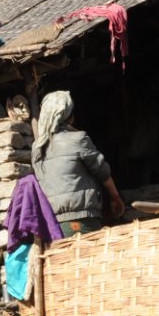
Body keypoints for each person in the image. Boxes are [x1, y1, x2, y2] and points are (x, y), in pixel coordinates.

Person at [31, 91, 125, 234]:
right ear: (70, 118)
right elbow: (101, 171)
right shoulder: (78, 139)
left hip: (52, 222)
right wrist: (115, 197)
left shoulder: (37, 147)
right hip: (82, 218)